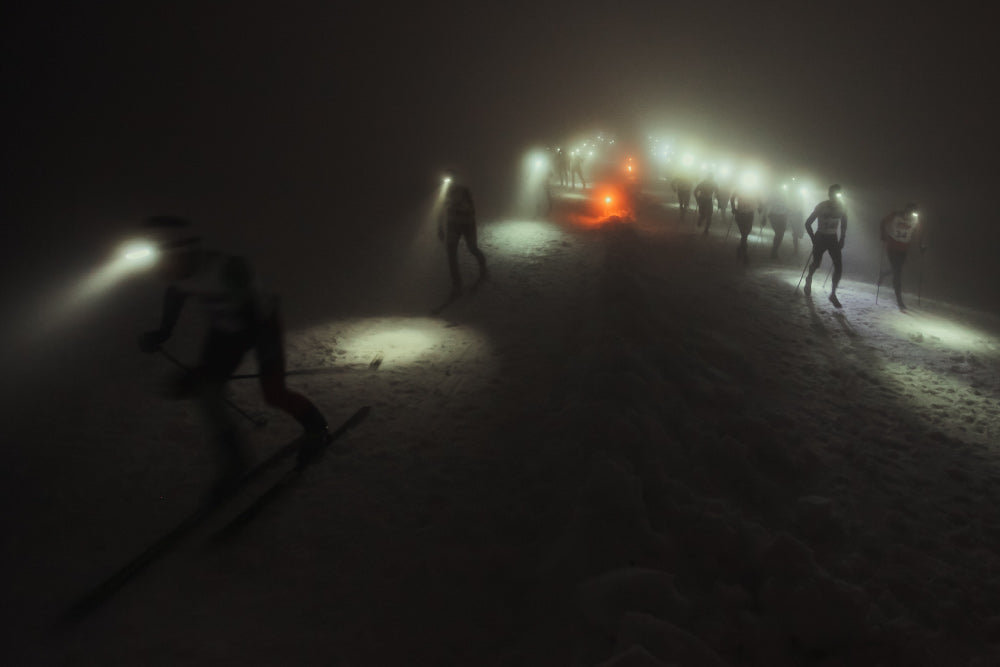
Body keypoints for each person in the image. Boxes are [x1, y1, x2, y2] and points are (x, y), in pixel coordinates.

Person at [136, 216, 329, 494]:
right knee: (208, 395)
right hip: (226, 330)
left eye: (164, 262)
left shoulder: (227, 269)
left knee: (273, 393)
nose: (162, 272)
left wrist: (206, 369)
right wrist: (163, 331)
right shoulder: (181, 273)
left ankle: (315, 426)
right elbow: (175, 294)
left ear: (183, 252)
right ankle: (235, 462)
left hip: (262, 327)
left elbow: (250, 320)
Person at [439, 171, 488, 298]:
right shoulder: (444, 192)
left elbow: (472, 210)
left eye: (451, 178)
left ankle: (482, 263)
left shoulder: (464, 190)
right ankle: (456, 284)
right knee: (451, 255)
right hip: (453, 226)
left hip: (467, 225)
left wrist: (458, 206)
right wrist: (440, 227)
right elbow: (440, 209)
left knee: (472, 248)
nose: (449, 181)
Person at [804, 184, 848, 308]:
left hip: (832, 238)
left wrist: (842, 238)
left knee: (838, 266)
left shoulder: (842, 206)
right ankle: (809, 278)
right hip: (821, 237)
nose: (835, 196)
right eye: (833, 193)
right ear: (829, 194)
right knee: (817, 263)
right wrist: (813, 238)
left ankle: (833, 294)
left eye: (838, 194)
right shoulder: (821, 206)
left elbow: (844, 222)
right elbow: (807, 223)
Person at [879, 202, 924, 310]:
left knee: (897, 270)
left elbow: (919, 233)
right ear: (906, 210)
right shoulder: (896, 215)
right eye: (910, 212)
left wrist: (921, 246)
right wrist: (883, 234)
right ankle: (899, 301)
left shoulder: (915, 220)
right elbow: (882, 222)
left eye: (913, 213)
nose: (911, 215)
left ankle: (884, 273)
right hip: (892, 246)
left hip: (904, 249)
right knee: (898, 273)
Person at [729, 189, 758, 264]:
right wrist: (733, 208)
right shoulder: (739, 189)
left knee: (746, 233)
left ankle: (740, 249)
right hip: (740, 214)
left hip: (749, 214)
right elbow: (732, 198)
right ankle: (745, 255)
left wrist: (760, 206)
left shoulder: (754, 190)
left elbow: (759, 199)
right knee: (744, 234)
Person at [764, 188, 790, 259]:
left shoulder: (787, 195)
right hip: (774, 215)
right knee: (779, 233)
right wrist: (765, 215)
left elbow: (788, 206)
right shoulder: (772, 195)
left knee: (781, 235)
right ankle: (774, 251)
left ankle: (775, 250)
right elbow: (766, 204)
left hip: (783, 216)